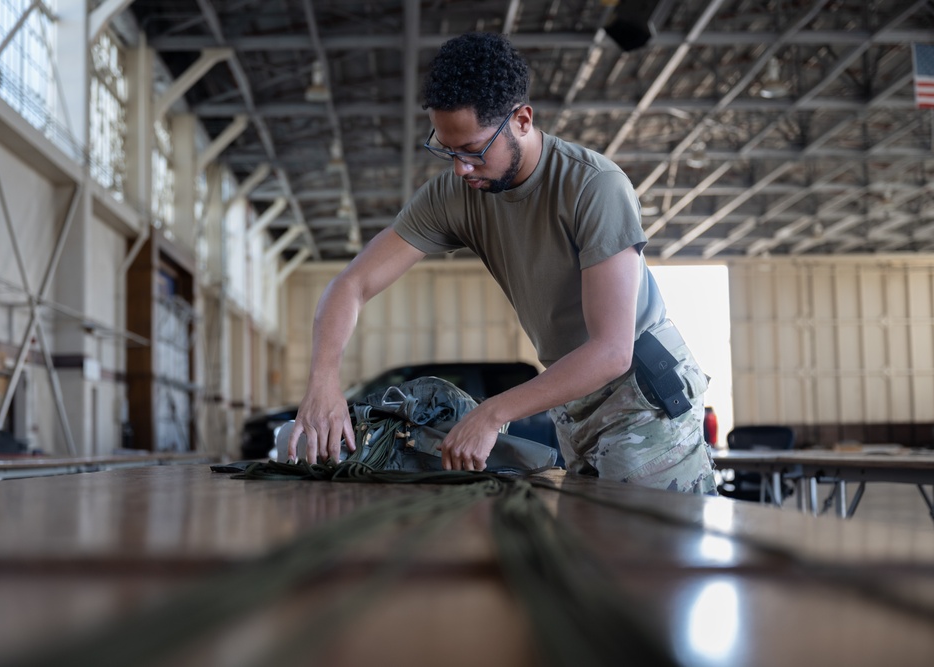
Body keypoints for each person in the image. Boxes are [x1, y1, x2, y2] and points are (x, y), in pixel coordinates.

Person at [286, 32, 716, 494]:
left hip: (641, 395)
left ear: (523, 120)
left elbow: (612, 350)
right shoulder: (455, 195)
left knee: (652, 556)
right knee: (591, 549)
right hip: (570, 396)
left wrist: (491, 413)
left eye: (472, 151)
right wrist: (323, 381)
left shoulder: (594, 187)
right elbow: (351, 284)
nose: (460, 169)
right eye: (447, 150)